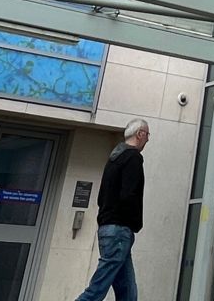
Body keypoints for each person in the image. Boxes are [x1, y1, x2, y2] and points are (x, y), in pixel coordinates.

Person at [73, 119, 149, 301]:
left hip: (108, 228)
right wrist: (134, 223)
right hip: (120, 231)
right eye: (147, 135)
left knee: (128, 294)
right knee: (96, 290)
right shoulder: (133, 158)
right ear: (139, 134)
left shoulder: (114, 159)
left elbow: (102, 197)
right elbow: (129, 195)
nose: (148, 140)